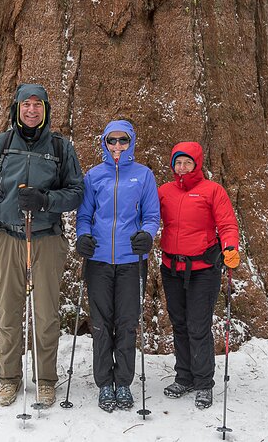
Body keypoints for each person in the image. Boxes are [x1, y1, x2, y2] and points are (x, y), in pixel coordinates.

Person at [0, 83, 84, 408]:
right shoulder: (2, 144)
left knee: (47, 314)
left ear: (46, 110)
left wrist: (46, 199)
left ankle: (46, 380)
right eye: (27, 104)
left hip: (46, 238)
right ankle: (9, 379)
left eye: (38, 105)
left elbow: (77, 192)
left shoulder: (60, 148)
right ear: (18, 108)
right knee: (9, 312)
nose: (32, 110)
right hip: (8, 237)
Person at [75, 120, 160, 412]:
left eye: (123, 140)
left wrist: (147, 235)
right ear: (104, 142)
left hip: (131, 261)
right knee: (100, 324)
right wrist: (83, 237)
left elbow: (151, 215)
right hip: (98, 260)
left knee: (126, 323)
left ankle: (123, 382)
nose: (117, 146)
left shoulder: (144, 176)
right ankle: (104, 383)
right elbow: (84, 215)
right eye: (111, 141)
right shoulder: (94, 176)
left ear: (131, 141)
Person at [158, 141, 240, 410]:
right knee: (179, 323)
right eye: (177, 163)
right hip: (171, 268)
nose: (182, 168)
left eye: (187, 162)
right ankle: (184, 376)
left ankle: (204, 382)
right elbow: (146, 216)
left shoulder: (212, 191)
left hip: (203, 270)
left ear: (197, 164)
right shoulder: (164, 192)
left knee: (198, 325)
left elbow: (227, 223)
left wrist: (230, 248)